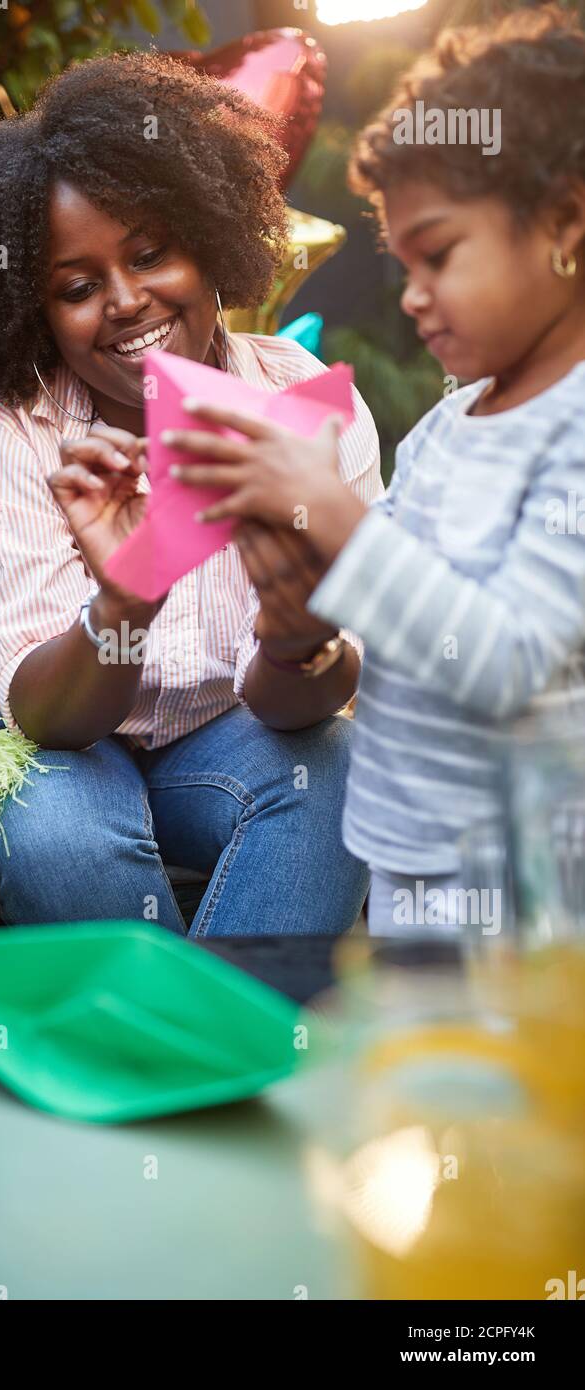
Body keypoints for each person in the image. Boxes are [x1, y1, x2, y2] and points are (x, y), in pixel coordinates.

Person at [0, 52, 382, 938]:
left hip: (230, 735)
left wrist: (299, 638)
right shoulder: (7, 435)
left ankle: (213, 1039)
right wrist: (129, 591)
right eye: (76, 288)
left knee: (335, 769)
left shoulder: (303, 405)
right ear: (32, 311)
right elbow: (48, 720)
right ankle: (156, 1043)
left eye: (151, 253)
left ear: (209, 233)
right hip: (66, 741)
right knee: (55, 829)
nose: (124, 300)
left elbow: (309, 701)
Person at [167, 6, 585, 936]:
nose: (413, 295)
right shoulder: (444, 429)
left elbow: (509, 659)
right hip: (411, 865)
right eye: (402, 263)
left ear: (563, 221)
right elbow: (389, 614)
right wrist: (300, 622)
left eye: (438, 254)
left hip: (538, 894)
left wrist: (332, 513)